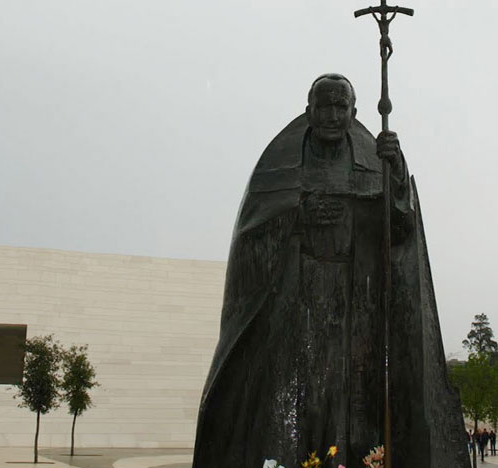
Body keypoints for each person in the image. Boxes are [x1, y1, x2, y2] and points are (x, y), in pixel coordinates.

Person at [191, 74, 470, 468]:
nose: (333, 115)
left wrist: (395, 171)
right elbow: (251, 237)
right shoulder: (280, 166)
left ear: (353, 112)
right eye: (325, 106)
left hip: (355, 307)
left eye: (342, 107)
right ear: (309, 111)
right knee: (297, 398)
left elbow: (400, 231)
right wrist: (299, 217)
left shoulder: (373, 163)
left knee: (346, 399)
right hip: (294, 305)